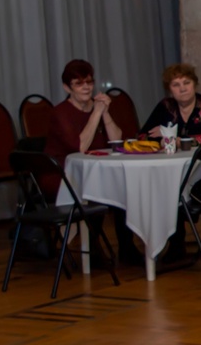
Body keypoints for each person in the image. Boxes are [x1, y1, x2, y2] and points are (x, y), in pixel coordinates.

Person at [43, 59, 144, 265]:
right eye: (79, 83)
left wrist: (104, 112)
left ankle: (127, 247)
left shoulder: (97, 107)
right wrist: (96, 113)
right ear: (67, 87)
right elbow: (79, 146)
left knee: (125, 187)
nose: (86, 87)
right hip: (64, 173)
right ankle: (93, 247)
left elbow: (117, 141)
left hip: (95, 169)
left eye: (89, 82)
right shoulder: (60, 112)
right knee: (100, 190)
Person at [141, 63, 201, 143]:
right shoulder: (165, 106)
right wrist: (161, 140)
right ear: (169, 90)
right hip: (172, 160)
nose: (183, 89)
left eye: (187, 83)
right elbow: (142, 137)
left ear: (195, 85)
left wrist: (170, 136)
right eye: (176, 85)